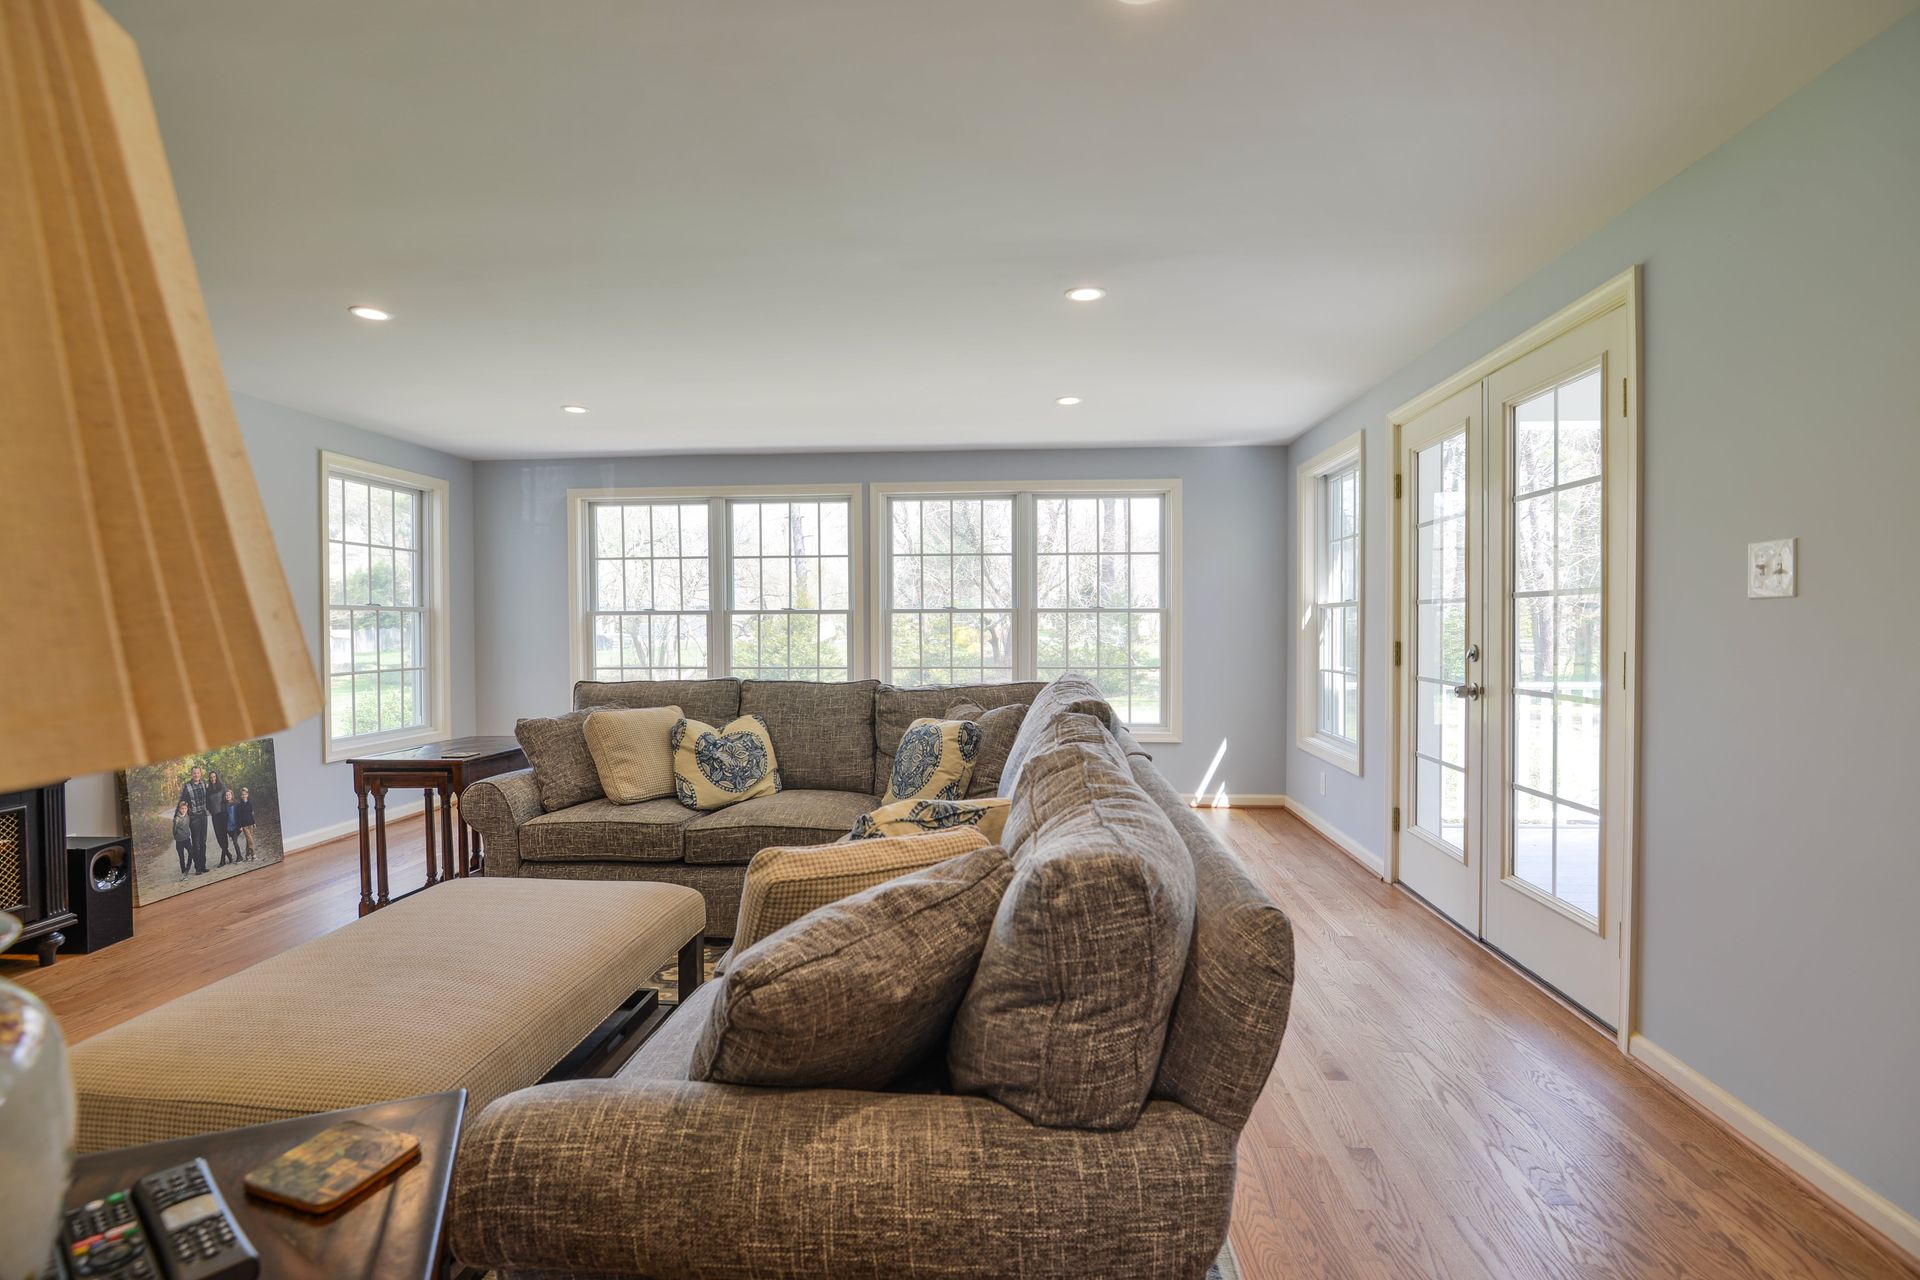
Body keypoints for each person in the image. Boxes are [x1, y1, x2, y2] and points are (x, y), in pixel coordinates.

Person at [178, 765, 210, 874]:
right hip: (194, 818)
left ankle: (203, 865)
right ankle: (198, 867)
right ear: (191, 774)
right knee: (196, 843)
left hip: (203, 816)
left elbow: (212, 794)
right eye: (194, 773)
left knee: (203, 842)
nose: (196, 775)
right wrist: (180, 817)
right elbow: (182, 802)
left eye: (198, 773)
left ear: (200, 774)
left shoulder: (204, 784)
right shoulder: (187, 787)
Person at [208, 768, 233, 866]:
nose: (213, 779)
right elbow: (207, 803)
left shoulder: (222, 786)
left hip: (223, 814)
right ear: (209, 779)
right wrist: (210, 811)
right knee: (219, 838)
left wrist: (232, 806)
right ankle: (228, 855)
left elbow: (228, 797)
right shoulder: (208, 790)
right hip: (215, 816)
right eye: (211, 777)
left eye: (214, 776)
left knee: (224, 837)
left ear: (216, 777)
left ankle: (222, 860)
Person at [235, 787, 257, 860]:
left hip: (250, 824)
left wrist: (254, 822)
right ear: (241, 796)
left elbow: (251, 814)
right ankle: (253, 854)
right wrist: (240, 826)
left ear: (247, 794)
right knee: (250, 840)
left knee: (249, 840)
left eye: (245, 794)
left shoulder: (250, 803)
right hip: (244, 825)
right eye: (242, 794)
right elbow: (239, 816)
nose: (244, 796)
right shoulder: (239, 805)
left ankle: (247, 855)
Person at [172, 800, 192, 875]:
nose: (184, 810)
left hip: (187, 839)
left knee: (191, 852)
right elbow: (174, 830)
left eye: (185, 808)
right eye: (182, 809)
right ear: (179, 809)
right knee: (181, 857)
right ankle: (184, 872)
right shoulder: (177, 819)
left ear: (187, 809)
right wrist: (176, 836)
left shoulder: (188, 816)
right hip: (179, 841)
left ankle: (188, 867)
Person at [221, 788, 240, 865]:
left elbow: (239, 815)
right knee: (233, 841)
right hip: (229, 828)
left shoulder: (236, 803)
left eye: (229, 794)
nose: (228, 796)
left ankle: (240, 856)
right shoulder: (224, 805)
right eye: (226, 795)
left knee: (235, 841)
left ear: (232, 795)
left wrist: (240, 826)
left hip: (236, 826)